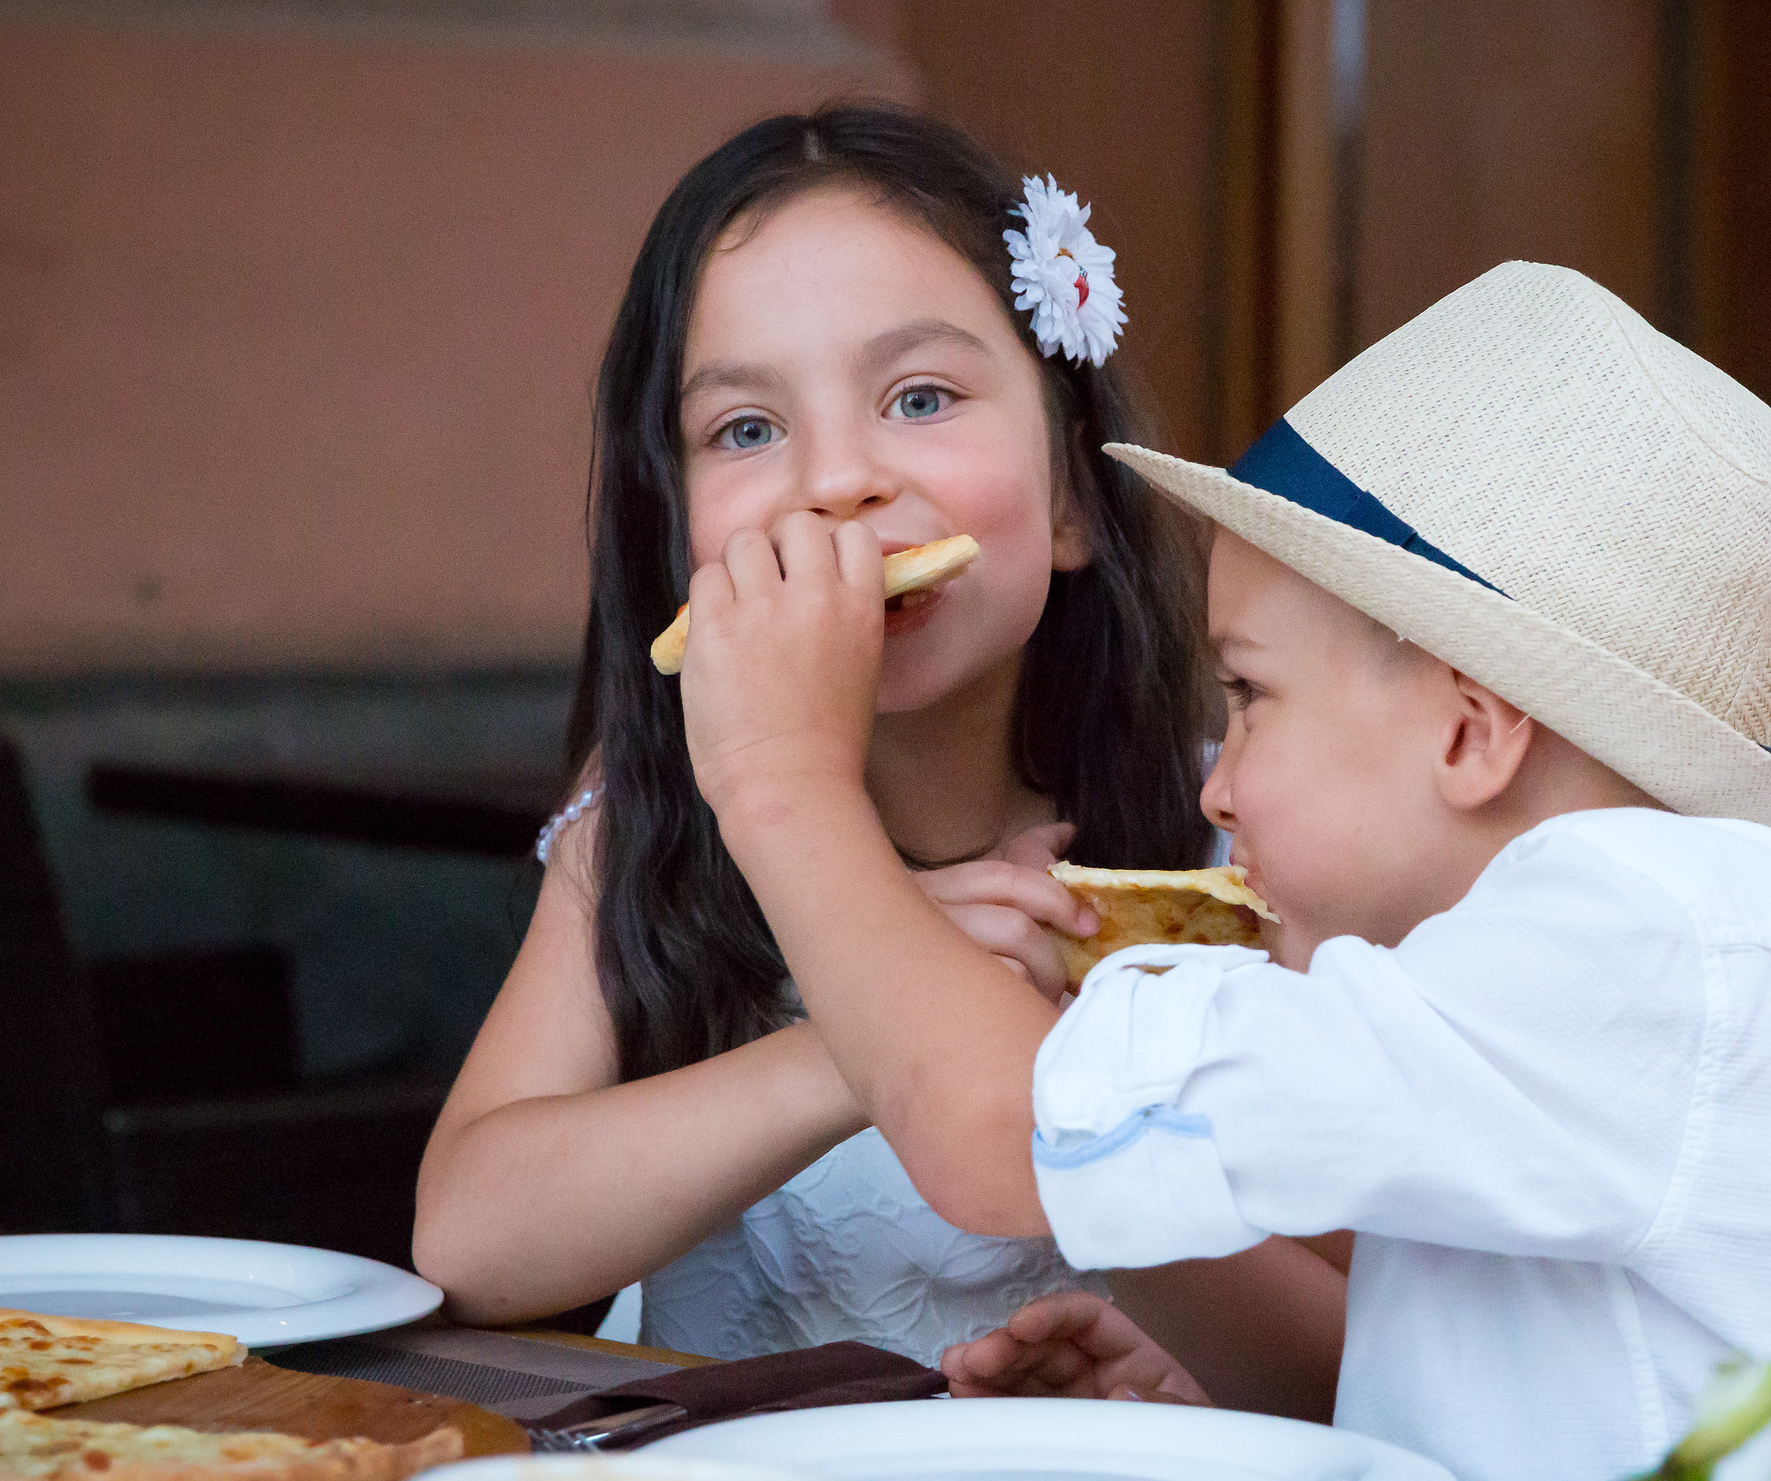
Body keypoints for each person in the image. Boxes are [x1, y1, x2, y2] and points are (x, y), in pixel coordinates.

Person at [667, 261, 1771, 1480]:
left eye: (1251, 695)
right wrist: (1215, 1389)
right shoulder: (1521, 976)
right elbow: (1506, 1395)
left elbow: (988, 1138)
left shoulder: (1632, 942)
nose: (1218, 785)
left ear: (1471, 732)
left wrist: (779, 776)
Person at [412, 105, 1218, 1366]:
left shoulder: (1235, 826)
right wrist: (846, 1044)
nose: (837, 481)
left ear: (1071, 493)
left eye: (920, 397)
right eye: (746, 429)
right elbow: (467, 1242)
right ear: (674, 532)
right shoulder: (649, 824)